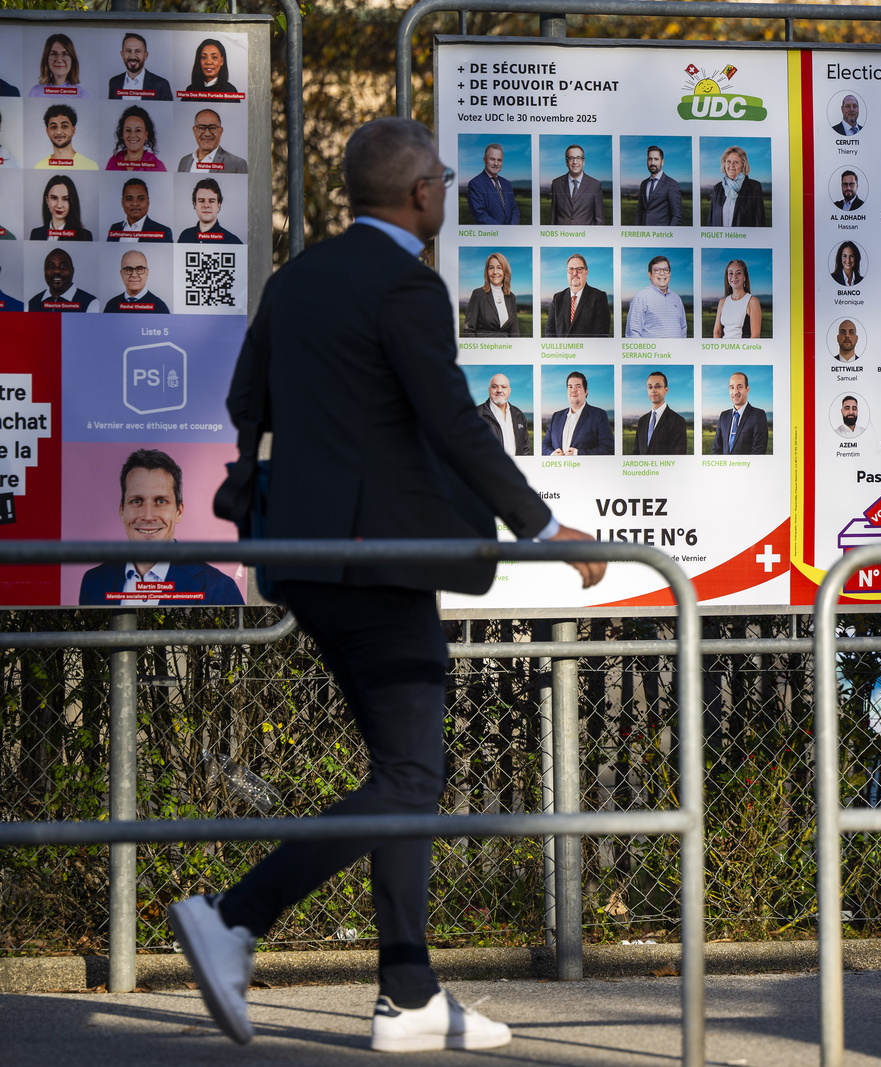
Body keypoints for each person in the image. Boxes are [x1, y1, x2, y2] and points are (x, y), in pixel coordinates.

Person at [172, 117, 601, 1054]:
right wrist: (542, 526)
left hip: (305, 557)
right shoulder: (409, 283)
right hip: (379, 563)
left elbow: (247, 403)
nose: (443, 190)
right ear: (421, 194)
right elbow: (453, 418)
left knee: (405, 773)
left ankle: (409, 995)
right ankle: (234, 916)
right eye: (441, 179)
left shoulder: (296, 280)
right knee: (410, 775)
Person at [77, 450, 243, 605]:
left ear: (179, 511)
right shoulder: (93, 582)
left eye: (161, 501)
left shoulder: (219, 588)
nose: (148, 516)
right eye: (137, 501)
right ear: (122, 511)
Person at [543, 369, 613, 455]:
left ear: (586, 391)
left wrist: (578, 453)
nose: (573, 390)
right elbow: (544, 445)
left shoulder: (599, 415)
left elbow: (608, 448)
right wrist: (552, 454)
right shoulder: (556, 416)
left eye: (578, 386)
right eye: (570, 387)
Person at [544, 252, 610, 337]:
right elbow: (549, 333)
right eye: (571, 269)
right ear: (567, 273)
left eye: (579, 269)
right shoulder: (558, 298)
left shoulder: (598, 297)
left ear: (586, 272)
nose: (575, 273)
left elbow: (601, 335)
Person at [625, 254, 687, 338]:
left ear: (670, 273)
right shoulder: (641, 297)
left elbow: (683, 328)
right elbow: (633, 333)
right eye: (657, 270)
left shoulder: (677, 298)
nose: (662, 273)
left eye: (666, 270)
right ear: (649, 274)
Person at [460, 252, 518, 337]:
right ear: (487, 271)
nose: (495, 272)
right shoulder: (478, 294)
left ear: (505, 271)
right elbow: (468, 330)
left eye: (499, 268)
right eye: (491, 268)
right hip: (484, 345)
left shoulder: (511, 297)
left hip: (506, 345)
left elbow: (514, 332)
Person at [708, 145, 766, 228]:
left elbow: (760, 222)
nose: (731, 165)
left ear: (743, 165)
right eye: (728, 161)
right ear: (724, 164)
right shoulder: (717, 188)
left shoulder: (754, 187)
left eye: (736, 162)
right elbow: (710, 221)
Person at [712, 371, 768, 455]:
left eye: (739, 387)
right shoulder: (723, 416)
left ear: (747, 389)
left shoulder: (758, 415)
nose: (735, 392)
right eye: (732, 387)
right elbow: (716, 449)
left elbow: (758, 453)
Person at [633, 370, 687, 455]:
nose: (653, 390)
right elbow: (636, 453)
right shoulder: (641, 421)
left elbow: (679, 457)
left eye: (657, 386)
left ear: (666, 390)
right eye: (650, 387)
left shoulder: (678, 421)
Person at [477, 373, 531, 456]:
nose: (499, 390)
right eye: (494, 386)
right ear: (489, 390)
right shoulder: (475, 414)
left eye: (504, 387)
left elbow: (526, 449)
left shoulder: (519, 414)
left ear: (509, 390)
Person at [464, 143, 518, 225]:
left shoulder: (507, 184)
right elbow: (480, 216)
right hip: (491, 232)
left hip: (511, 232)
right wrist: (502, 231)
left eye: (499, 160)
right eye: (492, 159)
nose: (496, 163)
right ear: (484, 160)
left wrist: (512, 227)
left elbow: (514, 209)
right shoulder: (475, 184)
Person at [177, 109, 248, 173]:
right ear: (194, 131)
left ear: (220, 131)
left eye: (212, 128)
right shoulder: (184, 161)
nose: (207, 134)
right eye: (201, 128)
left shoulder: (237, 164)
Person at [27, 248, 97, 311]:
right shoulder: (31, 304)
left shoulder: (90, 304)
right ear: (44, 271)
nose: (57, 271)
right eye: (51, 266)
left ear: (72, 271)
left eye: (63, 266)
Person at [550, 144, 604, 225]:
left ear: (583, 162)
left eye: (578, 158)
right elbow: (553, 217)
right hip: (562, 233)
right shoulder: (556, 184)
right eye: (571, 158)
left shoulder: (595, 185)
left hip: (585, 233)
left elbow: (599, 220)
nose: (575, 162)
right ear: (566, 162)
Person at [109, 33, 173, 100]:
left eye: (138, 51)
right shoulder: (114, 82)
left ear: (146, 55)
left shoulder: (161, 85)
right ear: (122, 55)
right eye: (128, 51)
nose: (133, 56)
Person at [108, 177, 173, 242]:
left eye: (140, 199)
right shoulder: (114, 228)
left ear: (148, 202)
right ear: (123, 202)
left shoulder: (163, 231)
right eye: (129, 199)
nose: (135, 203)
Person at [178, 177, 242, 243]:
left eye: (211, 201)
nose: (206, 205)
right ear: (195, 204)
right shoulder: (185, 236)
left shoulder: (233, 241)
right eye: (201, 201)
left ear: (218, 205)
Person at [104, 250, 170, 313]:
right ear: (121, 274)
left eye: (140, 269)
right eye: (128, 269)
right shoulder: (111, 305)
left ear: (147, 273)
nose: (134, 275)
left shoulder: (160, 308)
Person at [29, 174, 91, 241]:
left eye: (65, 199)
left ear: (72, 202)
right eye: (54, 198)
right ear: (47, 201)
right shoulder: (36, 234)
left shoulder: (84, 236)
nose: (59, 205)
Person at [34, 104, 97, 170]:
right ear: (47, 132)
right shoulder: (40, 166)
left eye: (64, 126)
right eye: (53, 127)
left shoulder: (90, 166)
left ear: (73, 130)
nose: (58, 132)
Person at [712, 258, 761, 339]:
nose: (734, 277)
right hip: (723, 346)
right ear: (727, 277)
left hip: (743, 347)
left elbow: (755, 335)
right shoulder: (722, 302)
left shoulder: (752, 301)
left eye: (738, 273)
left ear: (745, 277)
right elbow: (717, 332)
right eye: (730, 273)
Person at [106, 105, 166, 171]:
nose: (132, 135)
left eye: (138, 130)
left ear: (146, 135)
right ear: (122, 134)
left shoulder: (157, 166)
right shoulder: (113, 162)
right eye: (128, 130)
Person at [634, 145, 682, 225]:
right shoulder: (643, 184)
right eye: (650, 159)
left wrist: (668, 232)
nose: (652, 163)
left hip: (662, 232)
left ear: (662, 162)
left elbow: (676, 216)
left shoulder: (671, 184)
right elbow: (639, 212)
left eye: (656, 159)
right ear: (647, 161)